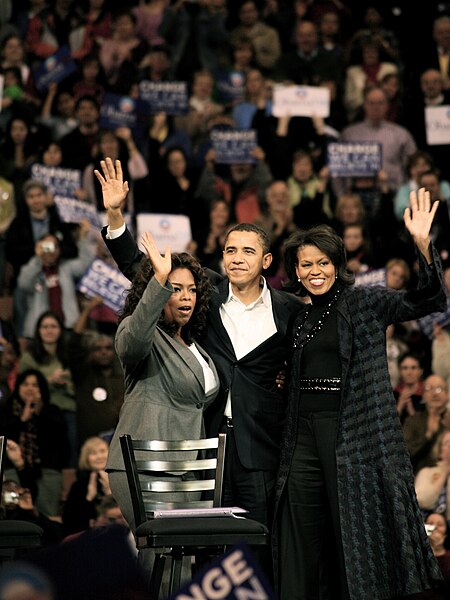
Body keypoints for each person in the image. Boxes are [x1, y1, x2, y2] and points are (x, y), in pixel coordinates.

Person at [97, 157, 301, 582]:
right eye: (230, 250)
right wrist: (116, 218)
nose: (236, 258)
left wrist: (285, 381)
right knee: (197, 556)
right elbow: (148, 273)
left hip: (256, 450)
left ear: (266, 261)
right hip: (201, 448)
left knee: (255, 557)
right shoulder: (203, 295)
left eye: (248, 251)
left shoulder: (288, 309)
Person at [274, 187, 447, 599]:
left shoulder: (364, 303)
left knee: (351, 535)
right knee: (298, 529)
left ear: (337, 265)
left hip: (350, 434)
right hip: (300, 435)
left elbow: (428, 299)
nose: (315, 271)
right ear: (295, 271)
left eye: (323, 262)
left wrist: (423, 245)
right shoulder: (297, 317)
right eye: (306, 264)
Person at [62, 436, 111, 536]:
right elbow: (69, 520)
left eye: (102, 451)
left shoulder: (121, 479)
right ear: (86, 458)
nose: (99, 456)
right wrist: (89, 498)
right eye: (93, 453)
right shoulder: (79, 485)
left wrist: (109, 492)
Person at [404, 373, 450, 474]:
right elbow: (405, 457)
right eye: (429, 389)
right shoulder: (413, 421)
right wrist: (428, 436)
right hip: (420, 477)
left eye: (439, 389)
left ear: (447, 394)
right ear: (424, 395)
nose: (435, 393)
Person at [415, 429, 450, 522]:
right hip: (425, 521)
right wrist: (444, 473)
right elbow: (421, 501)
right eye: (447, 443)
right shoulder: (426, 472)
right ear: (440, 448)